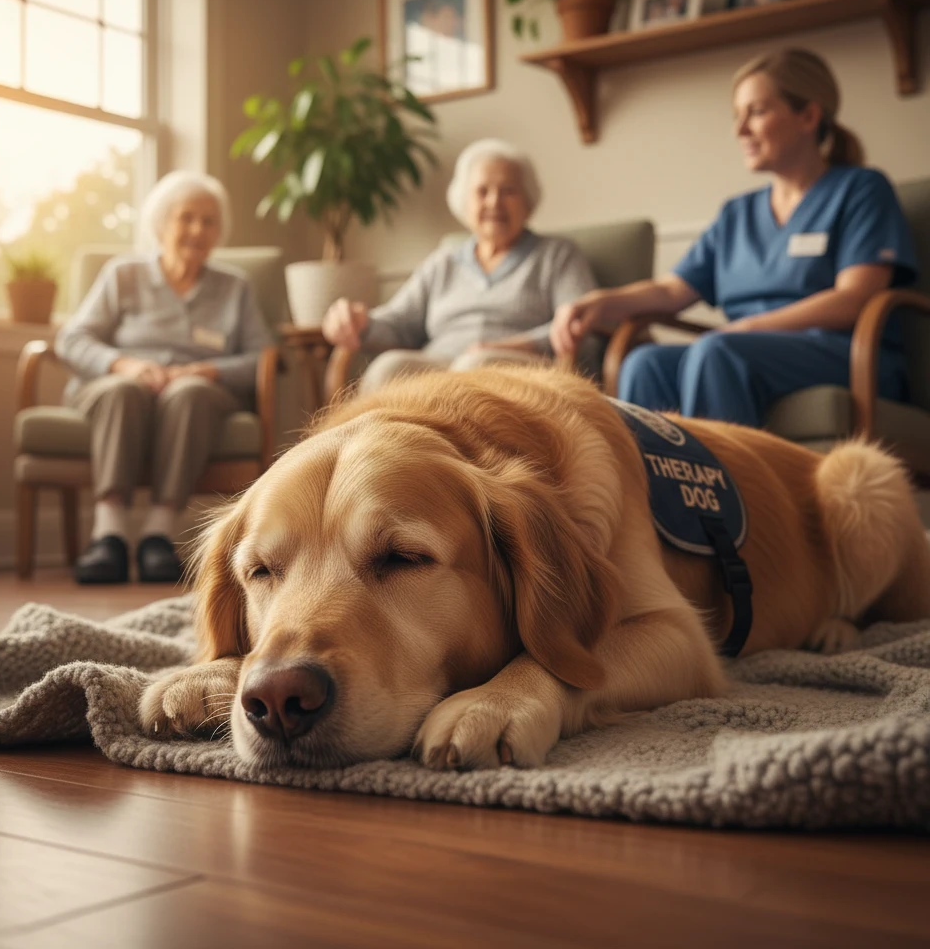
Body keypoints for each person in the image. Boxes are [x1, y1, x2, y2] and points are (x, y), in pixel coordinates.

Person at [550, 48, 918, 428]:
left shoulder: (861, 189)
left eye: (756, 112)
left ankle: (722, 488)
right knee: (646, 364)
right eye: (737, 115)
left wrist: (748, 328)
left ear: (808, 116)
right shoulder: (736, 214)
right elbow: (671, 292)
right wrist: (599, 303)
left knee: (717, 352)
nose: (739, 130)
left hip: (844, 352)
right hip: (741, 351)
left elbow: (854, 298)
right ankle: (656, 489)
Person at [55, 170, 273, 585]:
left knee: (189, 392)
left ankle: (157, 533)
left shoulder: (234, 288)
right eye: (186, 217)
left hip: (199, 395)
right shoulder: (123, 275)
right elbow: (72, 338)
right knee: (124, 391)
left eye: (208, 221)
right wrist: (126, 365)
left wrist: (208, 370)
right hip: (120, 387)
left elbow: (264, 357)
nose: (197, 229)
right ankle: (109, 535)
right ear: (161, 224)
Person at [322, 138, 601, 395]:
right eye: (482, 191)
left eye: (508, 191)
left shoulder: (557, 255)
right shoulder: (443, 261)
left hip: (520, 376)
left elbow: (583, 327)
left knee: (476, 366)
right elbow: (400, 324)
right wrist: (361, 322)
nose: (494, 202)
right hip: (440, 368)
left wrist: (518, 344)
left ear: (528, 201)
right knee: (389, 367)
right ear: (464, 203)